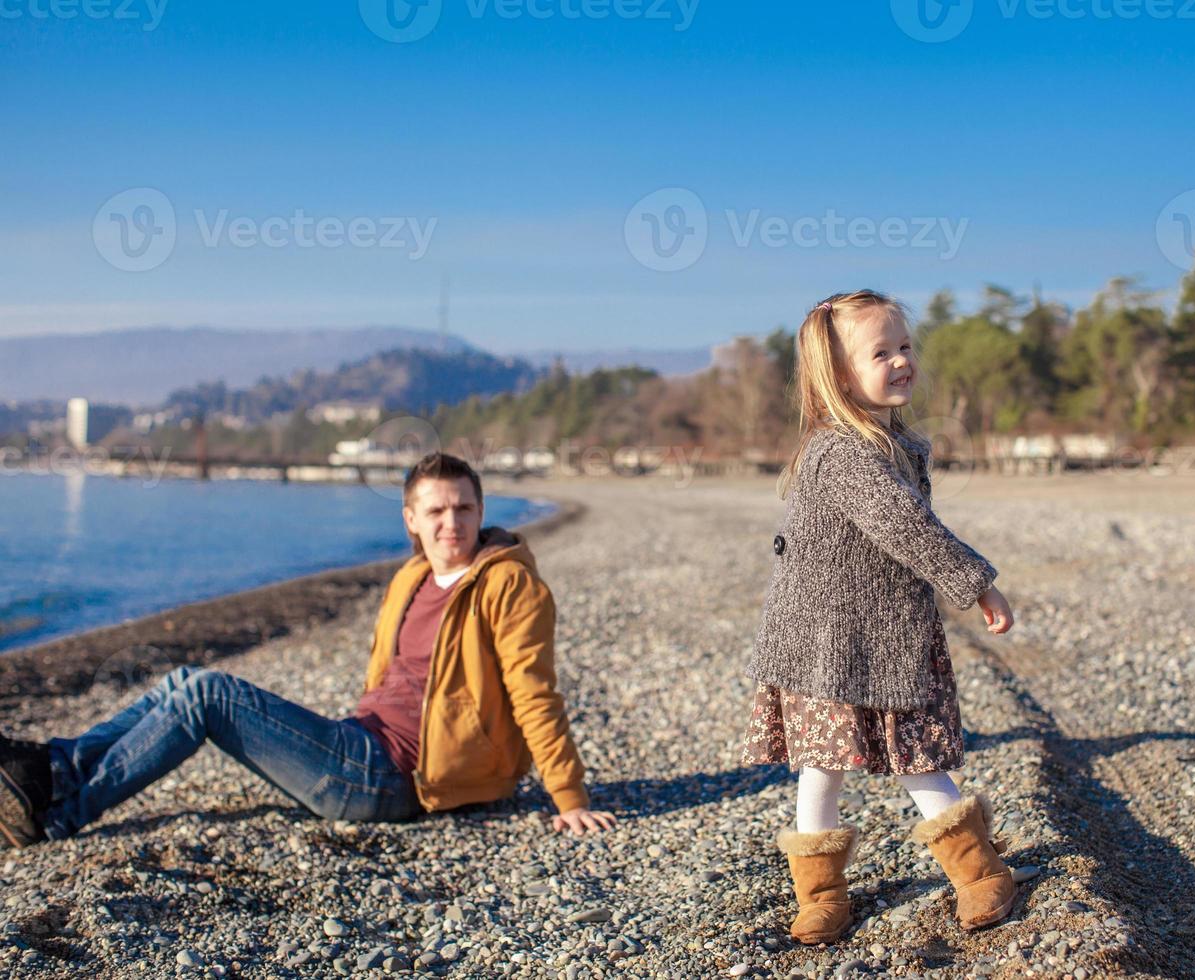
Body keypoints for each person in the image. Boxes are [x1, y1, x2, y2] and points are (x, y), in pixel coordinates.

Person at [0, 452, 615, 847]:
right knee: (187, 676)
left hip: (401, 779)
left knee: (209, 695)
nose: (450, 523)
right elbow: (386, 681)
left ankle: (61, 813)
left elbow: (534, 691)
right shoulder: (412, 578)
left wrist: (570, 797)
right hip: (358, 745)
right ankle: (56, 769)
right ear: (410, 518)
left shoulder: (510, 584)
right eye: (436, 511)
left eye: (463, 508)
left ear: (481, 511)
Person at [742, 289, 1017, 945]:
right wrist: (977, 583)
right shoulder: (840, 453)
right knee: (820, 770)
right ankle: (821, 893)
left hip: (885, 639)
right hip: (821, 647)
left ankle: (979, 875)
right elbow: (907, 529)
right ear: (839, 375)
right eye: (881, 353)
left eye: (905, 347)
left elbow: (913, 526)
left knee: (915, 757)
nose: (901, 362)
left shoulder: (891, 445)